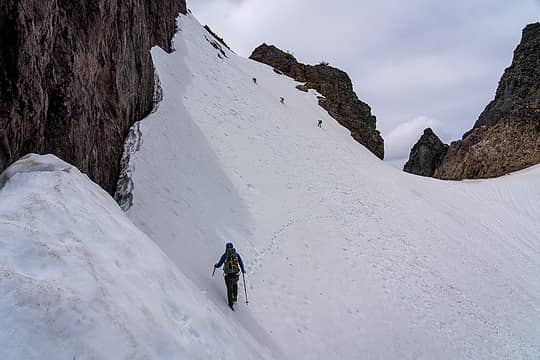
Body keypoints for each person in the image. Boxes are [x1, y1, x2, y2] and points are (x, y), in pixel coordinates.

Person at [214, 242, 245, 309]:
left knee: (229, 289)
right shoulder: (236, 254)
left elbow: (219, 264)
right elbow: (241, 262)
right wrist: (242, 270)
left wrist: (216, 266)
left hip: (228, 275)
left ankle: (230, 304)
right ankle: (235, 297)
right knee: (235, 284)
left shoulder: (225, 255)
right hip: (236, 274)